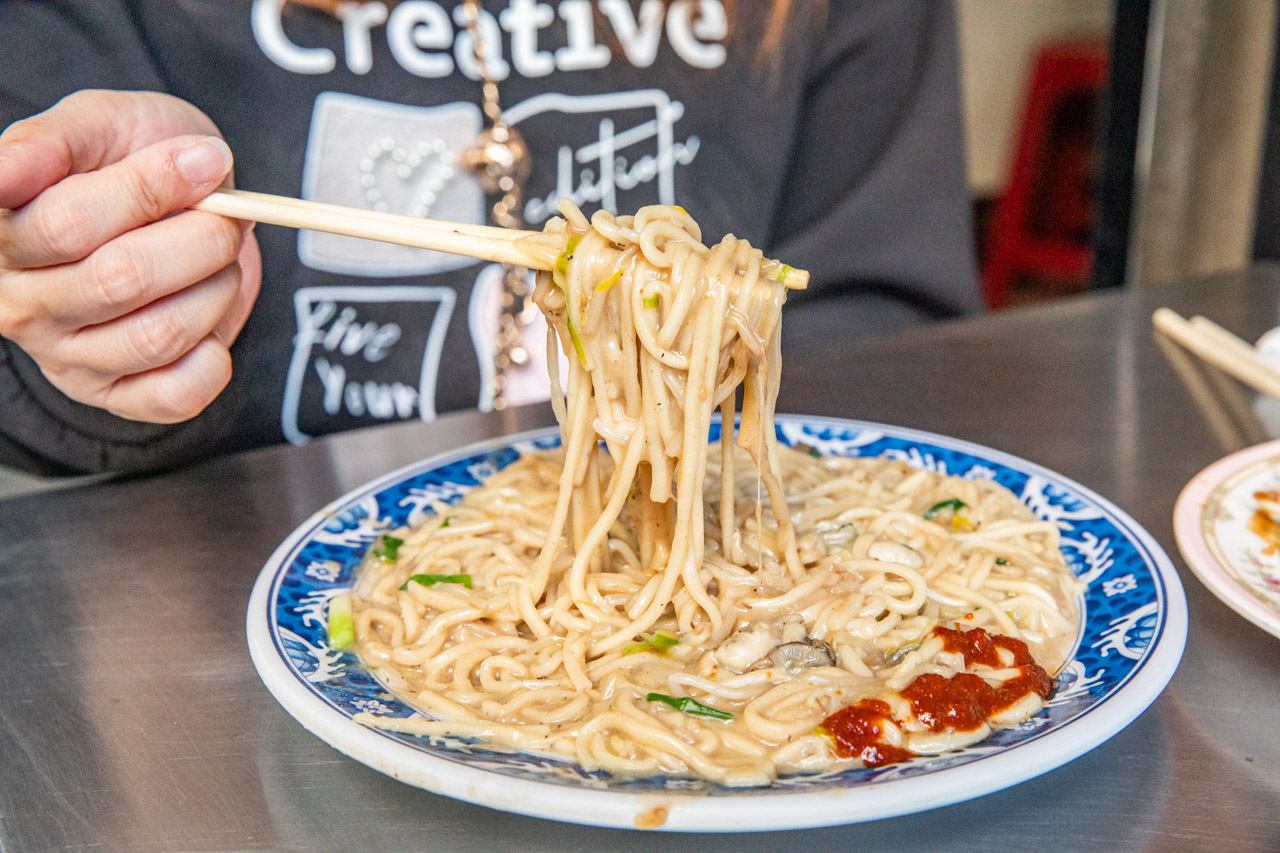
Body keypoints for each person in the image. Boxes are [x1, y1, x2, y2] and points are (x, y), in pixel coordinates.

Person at [0, 0, 978, 476]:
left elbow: (877, 326)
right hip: (235, 609)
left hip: (753, 572)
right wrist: (106, 319)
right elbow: (36, 374)